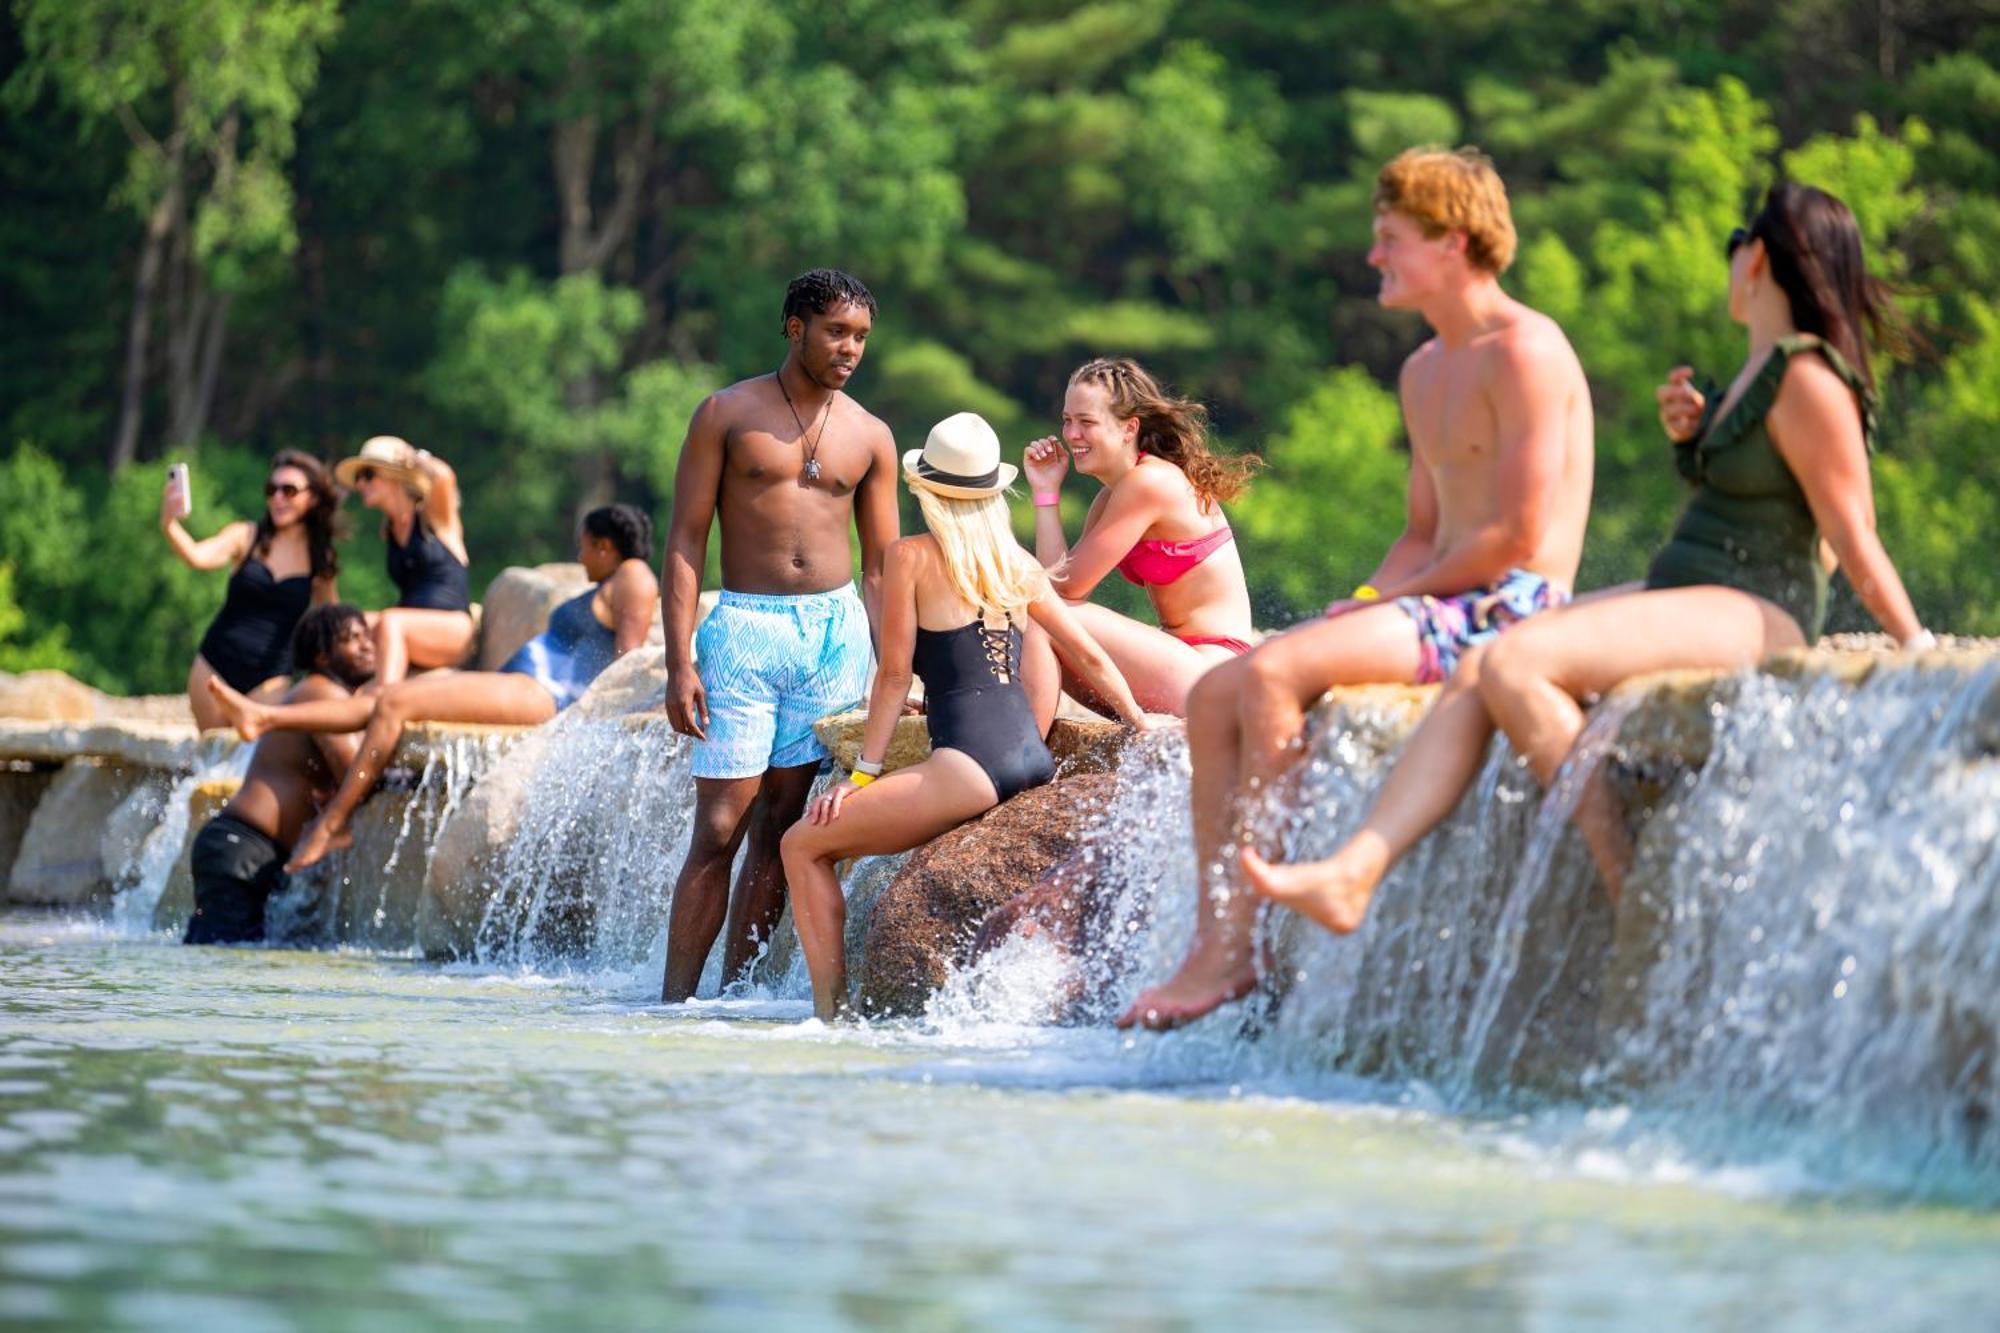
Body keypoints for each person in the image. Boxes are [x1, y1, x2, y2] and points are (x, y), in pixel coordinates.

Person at [1243, 181, 1933, 934]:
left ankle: (1627, 885)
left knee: (1517, 665)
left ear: (1757, 257)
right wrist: (1696, 437)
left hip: (1756, 606)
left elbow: (1852, 531)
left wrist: (1918, 646)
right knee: (1484, 662)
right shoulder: (1759, 374)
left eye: (1736, 244)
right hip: (1695, 589)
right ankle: (1356, 870)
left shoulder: (1808, 377)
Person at [1118, 146, 1596, 1030]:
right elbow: (1422, 531)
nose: (1374, 257)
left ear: (1451, 242)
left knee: (1269, 673)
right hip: (1440, 601)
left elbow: (1519, 537)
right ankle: (1216, 945)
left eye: (1390, 239)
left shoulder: (1527, 351)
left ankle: (1263, 929)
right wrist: (1371, 601)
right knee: (1224, 687)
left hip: (1511, 606)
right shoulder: (1423, 371)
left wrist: (1383, 612)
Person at [779, 413, 1167, 1020]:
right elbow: (1087, 653)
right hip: (1030, 759)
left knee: (802, 845)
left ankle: (832, 1016)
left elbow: (893, 677)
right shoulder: (1014, 563)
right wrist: (1139, 721)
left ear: (927, 490)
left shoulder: (910, 556)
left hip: (967, 764)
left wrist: (859, 776)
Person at [658, 269, 900, 1004]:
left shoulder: (872, 435)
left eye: (860, 336)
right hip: (745, 629)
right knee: (720, 827)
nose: (850, 348)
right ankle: (672, 1005)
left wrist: (897, 667)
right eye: (836, 332)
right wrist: (678, 661)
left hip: (832, 636)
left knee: (782, 824)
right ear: (795, 327)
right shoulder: (726, 413)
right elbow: (685, 539)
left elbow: (885, 567)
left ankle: (732, 1002)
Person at [205, 505, 661, 871]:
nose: (579, 557)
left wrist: (591, 724)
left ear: (605, 545)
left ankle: (335, 822)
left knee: (396, 700)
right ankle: (265, 717)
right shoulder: (611, 581)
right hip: (522, 684)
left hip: (541, 692)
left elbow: (627, 661)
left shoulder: (635, 574)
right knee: (380, 699)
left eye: (583, 547)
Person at [1020, 357, 1259, 716]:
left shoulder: (1149, 483)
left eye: (1087, 422)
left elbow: (1062, 593)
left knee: (1039, 615)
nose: (1071, 435)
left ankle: (1022, 755)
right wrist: (1046, 491)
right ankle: (1027, 749)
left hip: (1213, 668)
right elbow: (1058, 585)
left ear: (1129, 429)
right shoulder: (1110, 496)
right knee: (1038, 616)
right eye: (1067, 421)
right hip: (1183, 662)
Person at [184, 604, 375, 944]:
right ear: (321, 656)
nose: (367, 645)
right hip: (243, 850)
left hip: (240, 850)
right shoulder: (320, 691)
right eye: (352, 638)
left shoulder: (317, 694)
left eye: (367, 636)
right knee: (224, 974)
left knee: (221, 968)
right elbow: (356, 768)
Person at [160, 450, 341, 730]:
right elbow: (197, 556)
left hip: (271, 678)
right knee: (214, 762)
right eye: (272, 490)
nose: (278, 498)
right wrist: (169, 525)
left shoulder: (320, 559)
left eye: (289, 490)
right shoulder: (245, 535)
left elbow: (329, 622)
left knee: (250, 761)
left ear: (313, 498)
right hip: (215, 667)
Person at [334, 435, 474, 686]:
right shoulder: (389, 529)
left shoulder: (435, 519)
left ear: (394, 476)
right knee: (341, 625)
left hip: (452, 629)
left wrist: (413, 457)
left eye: (367, 475)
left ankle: (382, 701)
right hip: (408, 625)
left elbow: (444, 477)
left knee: (391, 621)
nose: (361, 484)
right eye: (358, 479)